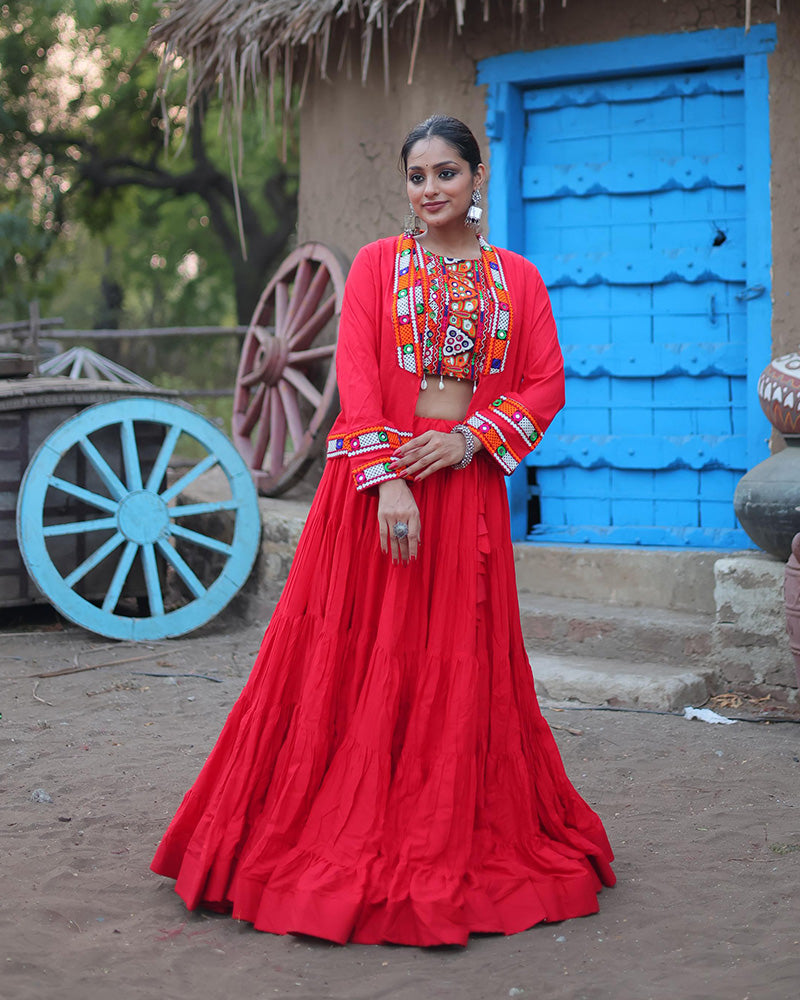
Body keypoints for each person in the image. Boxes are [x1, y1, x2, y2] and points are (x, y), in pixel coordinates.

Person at [151, 114, 616, 947]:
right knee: (354, 657)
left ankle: (441, 824)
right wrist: (390, 481)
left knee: (457, 660)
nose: (430, 190)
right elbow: (357, 376)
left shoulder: (518, 278)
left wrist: (470, 437)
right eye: (416, 176)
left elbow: (546, 384)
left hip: (465, 487)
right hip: (376, 493)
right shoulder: (376, 266)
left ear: (477, 179)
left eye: (446, 173)